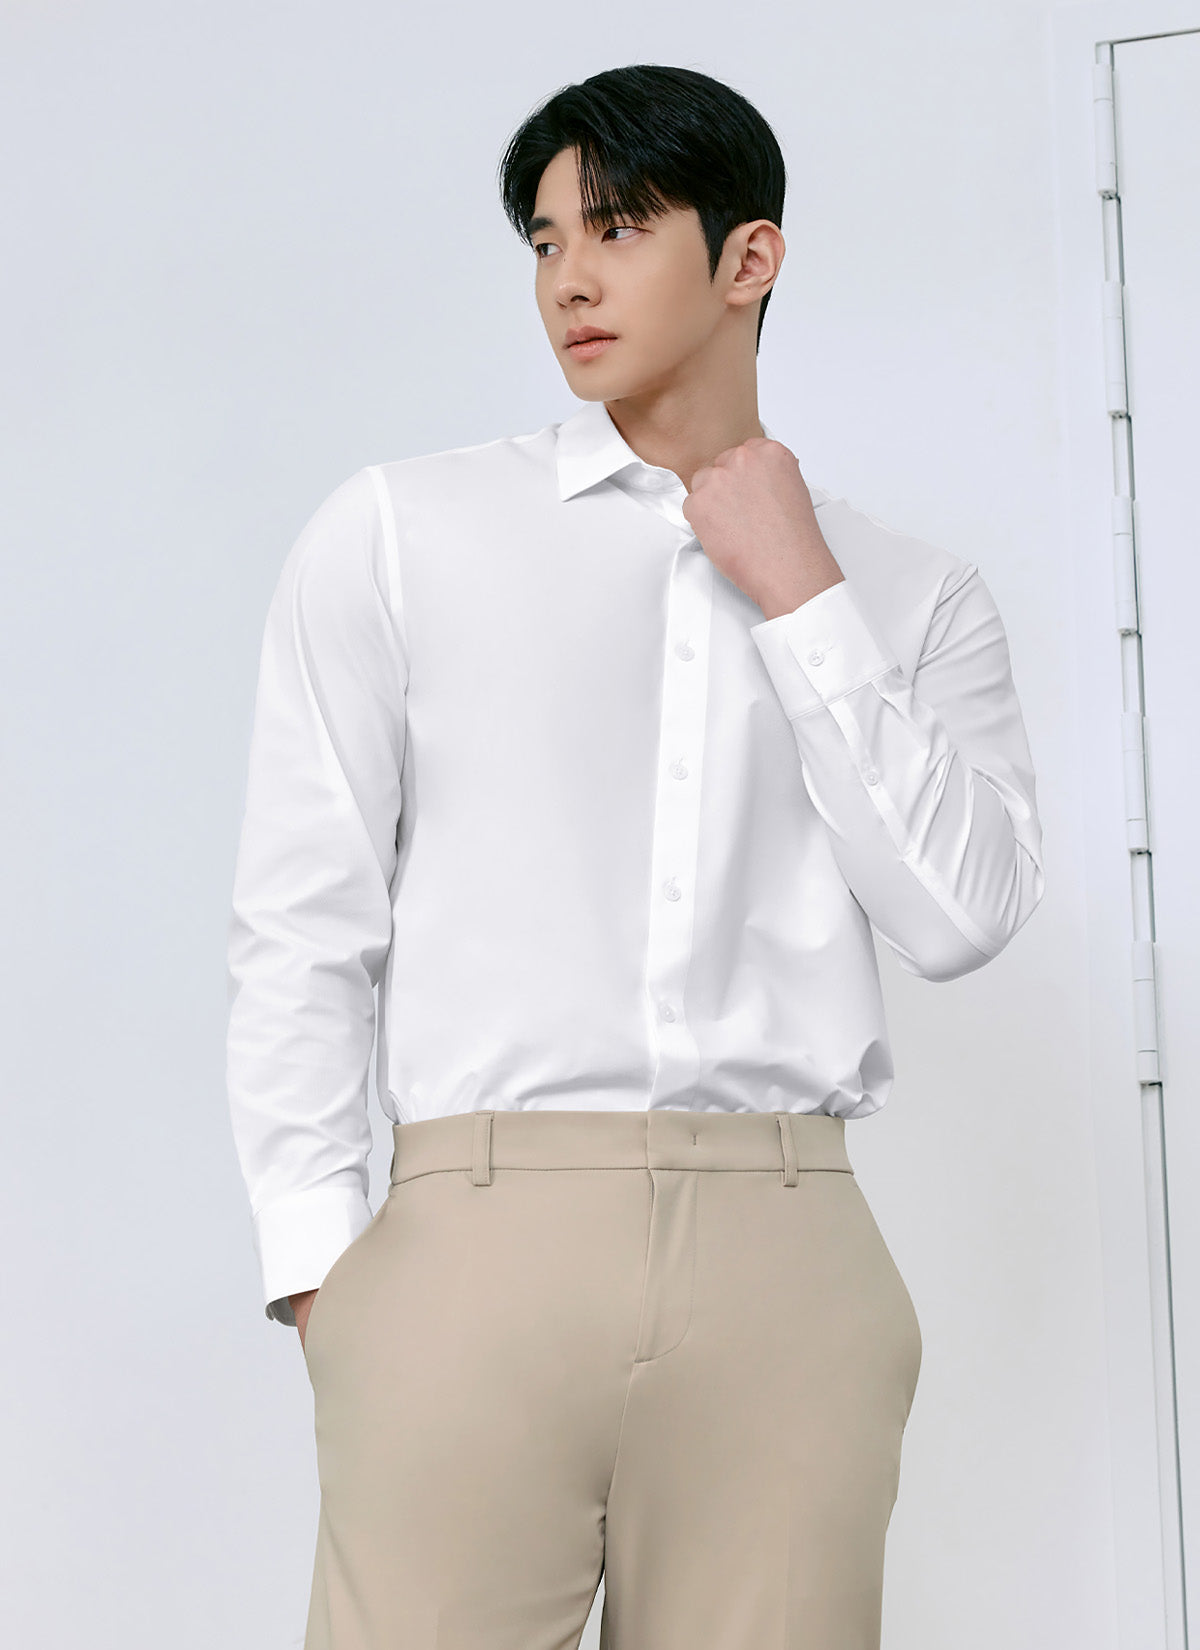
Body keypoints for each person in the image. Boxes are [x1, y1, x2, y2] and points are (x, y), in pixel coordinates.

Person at [225, 61, 1045, 1650]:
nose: (569, 280)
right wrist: (325, 1274)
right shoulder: (400, 531)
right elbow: (304, 921)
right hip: (466, 1246)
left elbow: (962, 914)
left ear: (751, 257)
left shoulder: (910, 591)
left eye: (616, 227)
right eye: (544, 241)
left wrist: (802, 593)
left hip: (788, 1255)